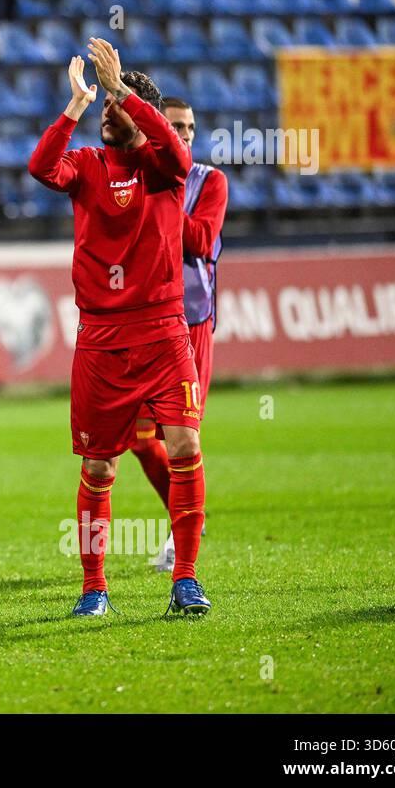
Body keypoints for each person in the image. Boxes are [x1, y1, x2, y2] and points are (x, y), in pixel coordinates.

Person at [28, 39, 211, 617]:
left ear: (137, 112)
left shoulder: (163, 170)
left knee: (183, 444)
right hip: (101, 341)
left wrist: (121, 90)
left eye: (113, 106)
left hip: (162, 331)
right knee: (99, 466)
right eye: (104, 107)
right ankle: (94, 588)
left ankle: (185, 581)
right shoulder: (87, 165)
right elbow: (40, 167)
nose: (107, 112)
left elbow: (179, 157)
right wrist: (76, 105)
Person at [128, 97, 227, 572]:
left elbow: (202, 241)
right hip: (143, 319)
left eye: (189, 127)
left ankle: (178, 542)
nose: (184, 134)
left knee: (182, 433)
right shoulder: (137, 173)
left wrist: (160, 203)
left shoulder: (210, 181)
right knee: (140, 437)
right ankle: (185, 513)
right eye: (175, 127)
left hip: (191, 319)